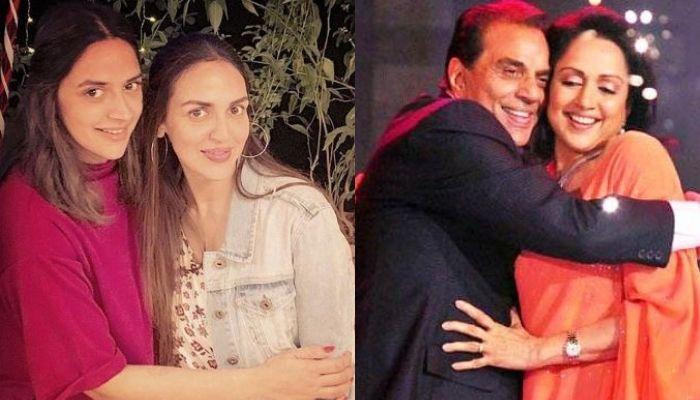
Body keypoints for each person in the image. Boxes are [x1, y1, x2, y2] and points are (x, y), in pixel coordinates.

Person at [0, 3, 352, 399]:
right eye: (93, 91)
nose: (121, 111)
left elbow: (335, 375)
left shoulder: (142, 181)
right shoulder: (35, 215)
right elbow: (100, 381)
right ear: (50, 97)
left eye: (130, 86)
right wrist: (265, 383)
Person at [355, 1, 700, 399]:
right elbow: (571, 226)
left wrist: (541, 350)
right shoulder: (460, 127)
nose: (529, 93)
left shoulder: (635, 156)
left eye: (540, 78)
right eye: (511, 71)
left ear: (627, 104)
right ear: (458, 76)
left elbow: (664, 313)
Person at [135, 31, 355, 392]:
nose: (223, 133)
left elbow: (335, 382)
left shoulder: (299, 215)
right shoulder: (148, 216)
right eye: (198, 112)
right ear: (160, 121)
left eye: (236, 109)